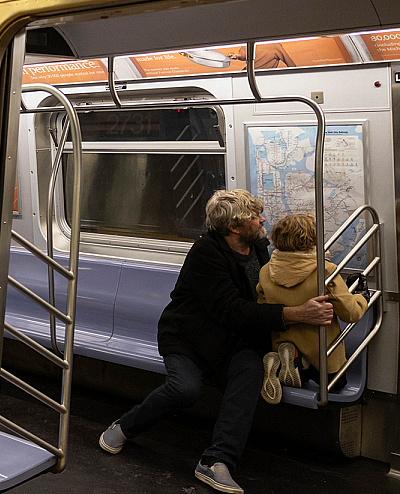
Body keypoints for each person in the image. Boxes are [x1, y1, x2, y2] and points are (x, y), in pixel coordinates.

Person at [98, 189, 334, 494]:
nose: (262, 219)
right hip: (189, 338)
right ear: (234, 227)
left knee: (251, 373)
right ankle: (125, 427)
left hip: (235, 341)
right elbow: (231, 310)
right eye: (255, 216)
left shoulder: (260, 246)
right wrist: (295, 313)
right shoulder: (206, 254)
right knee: (185, 389)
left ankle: (216, 460)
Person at [257, 213, 367, 403]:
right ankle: (302, 365)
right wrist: (361, 298)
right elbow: (351, 313)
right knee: (337, 383)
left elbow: (262, 308)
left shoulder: (266, 270)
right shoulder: (325, 271)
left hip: (281, 339)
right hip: (322, 355)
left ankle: (288, 363)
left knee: (296, 362)